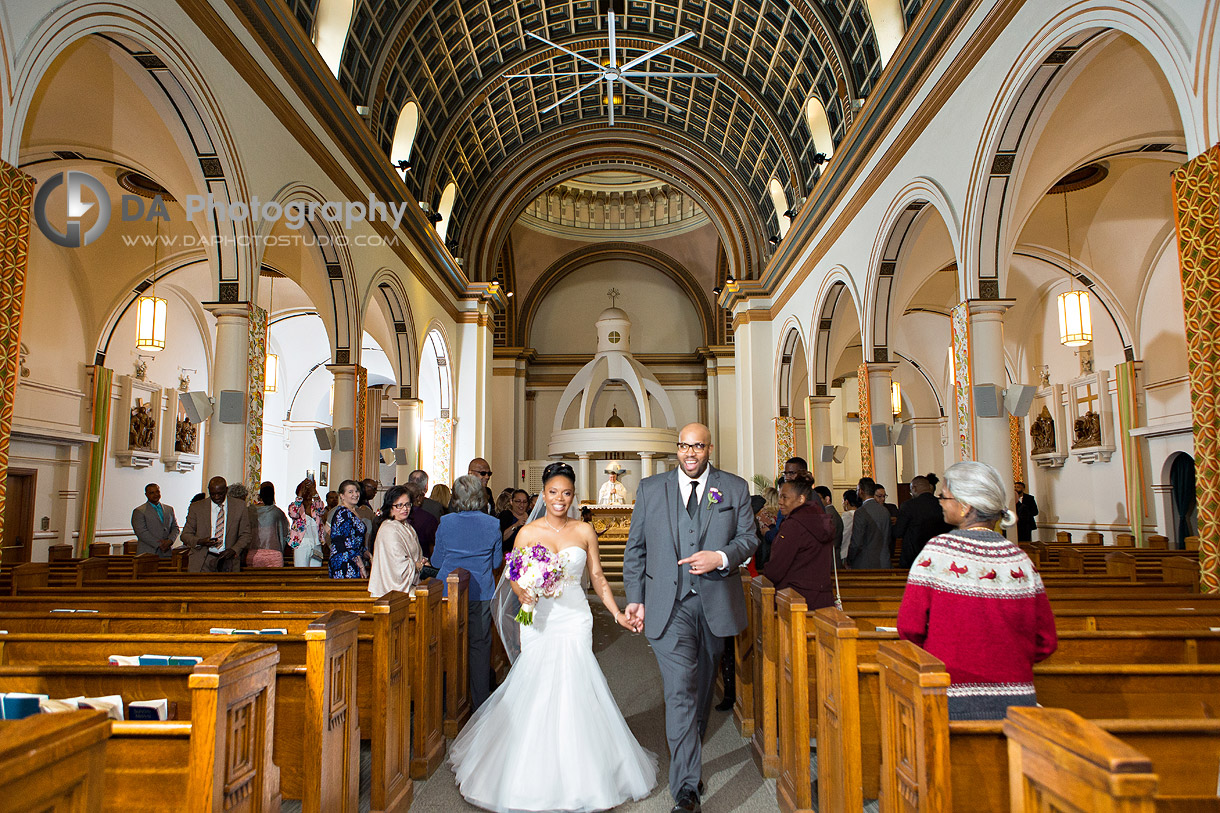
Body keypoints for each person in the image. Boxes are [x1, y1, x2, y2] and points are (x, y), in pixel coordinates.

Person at [449, 462, 656, 812]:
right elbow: (513, 574)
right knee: (537, 683)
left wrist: (618, 613)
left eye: (566, 493)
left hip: (574, 615)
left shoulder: (584, 531)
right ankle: (526, 768)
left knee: (576, 683)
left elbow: (598, 578)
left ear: (573, 496)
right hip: (539, 619)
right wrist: (523, 591)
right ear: (543, 494)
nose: (559, 499)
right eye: (553, 492)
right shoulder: (528, 532)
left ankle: (582, 772)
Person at [622, 422, 757, 813]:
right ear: (676, 449)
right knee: (679, 687)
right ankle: (685, 789)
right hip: (669, 606)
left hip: (716, 604)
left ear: (709, 448)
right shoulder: (651, 489)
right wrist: (637, 598)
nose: (690, 453)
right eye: (684, 446)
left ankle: (689, 751)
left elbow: (749, 538)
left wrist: (721, 556)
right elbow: (636, 550)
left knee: (700, 688)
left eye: (698, 446)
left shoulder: (733, 487)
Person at [897, 461, 1058, 720]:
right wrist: (1006, 666)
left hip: (950, 696)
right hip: (1017, 702)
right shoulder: (1019, 560)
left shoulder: (937, 553)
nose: (940, 501)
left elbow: (910, 628)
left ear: (965, 505)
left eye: (945, 495)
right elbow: (1045, 640)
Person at [432, 474, 502, 710]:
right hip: (480, 592)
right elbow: (495, 562)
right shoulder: (492, 523)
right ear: (480, 497)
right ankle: (479, 703)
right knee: (480, 646)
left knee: (448, 643)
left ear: (456, 497)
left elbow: (437, 559)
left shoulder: (446, 522)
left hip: (447, 593)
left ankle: (449, 700)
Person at [763, 474, 837, 608]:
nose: (780, 501)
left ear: (801, 499)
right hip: (822, 597)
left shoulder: (794, 525)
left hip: (795, 598)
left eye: (784, 497)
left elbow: (777, 567)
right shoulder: (820, 519)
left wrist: (764, 575)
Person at [180, 476, 251, 572]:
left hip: (228, 560)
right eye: (213, 494)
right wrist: (201, 541)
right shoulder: (197, 508)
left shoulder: (239, 506)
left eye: (220, 494)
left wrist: (234, 550)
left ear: (226, 490)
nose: (216, 497)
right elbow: (185, 535)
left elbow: (246, 534)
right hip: (202, 560)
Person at [369, 485, 424, 598]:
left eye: (407, 504)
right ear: (390, 507)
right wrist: (418, 565)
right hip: (392, 592)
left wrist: (422, 561)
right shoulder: (389, 529)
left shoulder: (406, 526)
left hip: (410, 586)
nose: (405, 509)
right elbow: (397, 566)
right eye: (399, 505)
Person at [895, 475, 952, 569]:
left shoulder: (908, 506)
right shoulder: (942, 504)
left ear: (914, 488)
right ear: (929, 487)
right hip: (939, 557)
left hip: (913, 560)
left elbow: (898, 532)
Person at [325, 480, 368, 579]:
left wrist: (368, 555)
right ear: (342, 496)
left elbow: (357, 539)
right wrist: (361, 564)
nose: (355, 494)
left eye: (357, 491)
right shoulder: (343, 513)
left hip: (354, 558)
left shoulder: (352, 512)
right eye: (350, 492)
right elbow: (347, 541)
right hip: (345, 560)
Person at [847, 477, 892, 569]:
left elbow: (857, 543)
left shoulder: (861, 512)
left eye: (857, 490)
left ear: (861, 491)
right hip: (884, 562)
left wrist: (849, 560)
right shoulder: (885, 511)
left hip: (866, 563)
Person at [246, 481, 289, 567]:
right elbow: (285, 533)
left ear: (260, 495)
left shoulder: (249, 511)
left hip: (253, 553)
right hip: (274, 554)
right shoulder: (277, 512)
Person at [131, 483, 179, 558]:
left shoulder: (169, 509)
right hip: (148, 553)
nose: (155, 495)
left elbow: (175, 528)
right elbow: (141, 532)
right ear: (146, 495)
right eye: (152, 493)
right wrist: (160, 544)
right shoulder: (139, 511)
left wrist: (170, 541)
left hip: (167, 553)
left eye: (157, 492)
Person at [287, 478, 326, 567]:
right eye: (306, 490)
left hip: (316, 543)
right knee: (301, 571)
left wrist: (314, 491)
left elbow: (321, 510)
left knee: (316, 572)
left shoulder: (315, 506)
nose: (308, 492)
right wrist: (301, 493)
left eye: (309, 490)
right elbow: (293, 513)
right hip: (301, 543)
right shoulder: (295, 506)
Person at [405, 482, 438, 558]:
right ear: (419, 498)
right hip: (423, 561)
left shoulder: (394, 516)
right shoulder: (428, 519)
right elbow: (433, 546)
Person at [814, 485, 844, 565]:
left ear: (827, 499)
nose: (816, 502)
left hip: (830, 560)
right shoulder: (828, 513)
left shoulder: (828, 515)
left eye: (818, 498)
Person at [498, 488, 530, 554]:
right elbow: (501, 538)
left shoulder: (531, 515)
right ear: (511, 501)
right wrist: (516, 525)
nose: (521, 505)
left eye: (524, 502)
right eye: (518, 501)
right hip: (508, 555)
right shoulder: (506, 515)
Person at [840, 490, 860, 563]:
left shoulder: (847, 515)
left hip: (846, 553)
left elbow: (843, 535)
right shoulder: (862, 514)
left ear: (846, 502)